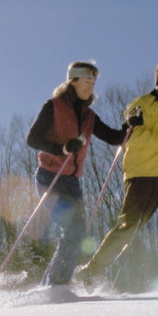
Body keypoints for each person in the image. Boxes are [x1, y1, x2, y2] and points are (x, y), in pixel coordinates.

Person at [76, 56, 158, 286]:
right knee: (130, 227)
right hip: (143, 176)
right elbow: (132, 137)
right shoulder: (141, 103)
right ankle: (91, 270)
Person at [26, 60, 142, 286]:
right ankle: (55, 286)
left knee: (77, 233)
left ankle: (51, 285)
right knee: (75, 231)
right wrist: (62, 148)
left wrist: (130, 126)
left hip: (72, 181)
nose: (91, 86)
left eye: (93, 82)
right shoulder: (54, 106)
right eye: (87, 81)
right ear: (73, 81)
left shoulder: (89, 116)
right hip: (50, 176)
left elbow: (113, 137)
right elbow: (32, 139)